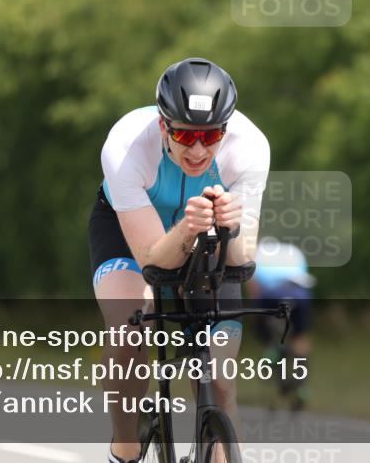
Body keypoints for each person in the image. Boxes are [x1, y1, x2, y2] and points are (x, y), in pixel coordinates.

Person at [89, 58, 270, 463]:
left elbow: (241, 261)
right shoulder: (125, 147)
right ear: (163, 127)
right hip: (129, 231)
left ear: (226, 128)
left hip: (209, 231)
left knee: (221, 382)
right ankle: (126, 446)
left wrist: (231, 228)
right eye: (186, 136)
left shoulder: (251, 147)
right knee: (128, 326)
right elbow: (153, 262)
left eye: (211, 135)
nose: (199, 149)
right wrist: (187, 230)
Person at [246, 237, 315, 410]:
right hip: (300, 296)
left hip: (271, 295)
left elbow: (253, 287)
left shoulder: (256, 253)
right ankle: (301, 386)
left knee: (267, 336)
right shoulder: (293, 252)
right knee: (300, 339)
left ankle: (272, 349)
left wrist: (255, 313)